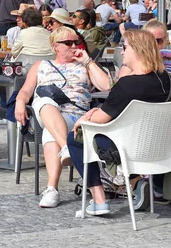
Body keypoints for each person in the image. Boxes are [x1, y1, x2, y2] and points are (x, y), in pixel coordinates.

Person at [66, 29, 171, 216]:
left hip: (129, 149)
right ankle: (136, 182)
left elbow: (100, 120)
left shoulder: (128, 84)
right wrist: (96, 111)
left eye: (124, 47)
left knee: (76, 137)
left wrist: (86, 117)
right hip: (162, 147)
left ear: (138, 50)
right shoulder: (168, 80)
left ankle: (99, 199)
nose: (122, 52)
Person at [14, 26, 111, 208]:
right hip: (45, 112)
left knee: (50, 133)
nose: (73, 46)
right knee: (44, 101)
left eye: (76, 42)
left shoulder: (85, 66)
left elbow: (106, 85)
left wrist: (88, 61)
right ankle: (67, 147)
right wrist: (20, 102)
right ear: (55, 46)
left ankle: (52, 189)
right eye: (67, 43)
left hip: (76, 118)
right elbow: (26, 91)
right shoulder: (40, 66)